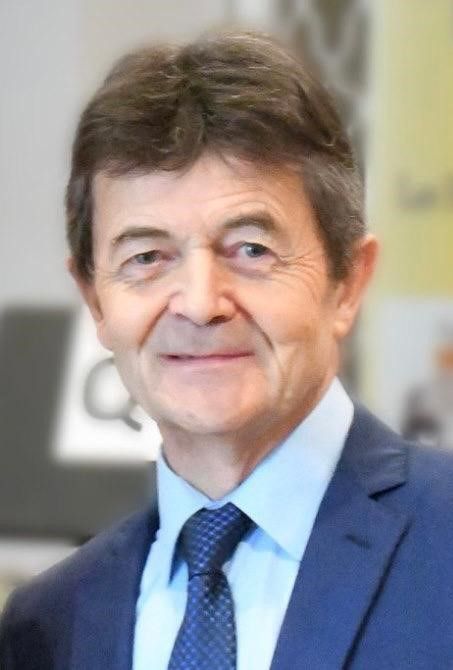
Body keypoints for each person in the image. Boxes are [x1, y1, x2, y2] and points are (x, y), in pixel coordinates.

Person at [1, 30, 453, 670]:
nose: (199, 303)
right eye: (147, 257)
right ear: (96, 302)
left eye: (250, 249)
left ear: (348, 282)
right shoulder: (47, 626)